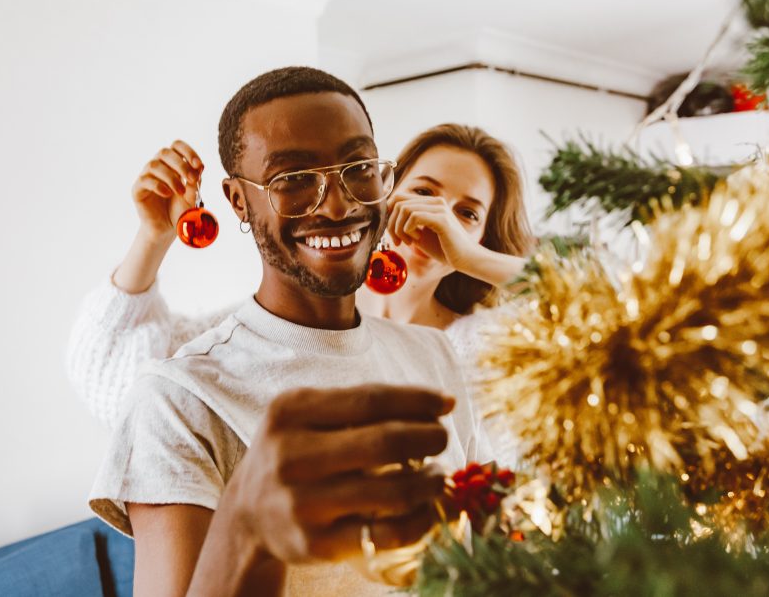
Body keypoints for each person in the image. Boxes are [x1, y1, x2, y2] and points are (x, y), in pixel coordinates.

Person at [88, 66, 488, 596]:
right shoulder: (178, 400)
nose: (338, 204)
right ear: (237, 201)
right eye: (293, 180)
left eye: (359, 167)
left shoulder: (434, 355)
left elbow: (486, 559)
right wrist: (248, 525)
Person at [67, 124, 534, 454]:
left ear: (484, 239)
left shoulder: (485, 352)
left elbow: (595, 321)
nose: (438, 217)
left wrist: (472, 259)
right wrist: (152, 237)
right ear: (383, 194)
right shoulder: (281, 327)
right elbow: (112, 379)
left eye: (468, 213)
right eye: (425, 192)